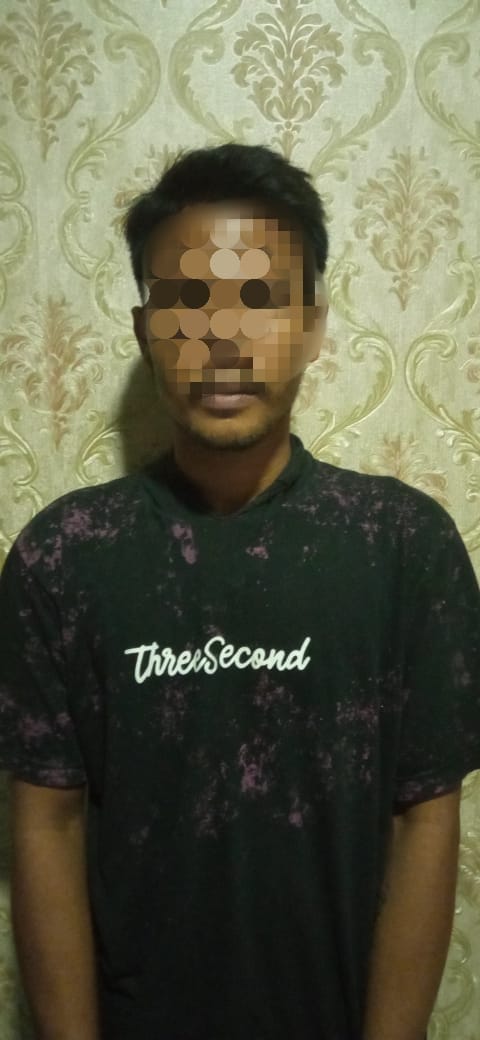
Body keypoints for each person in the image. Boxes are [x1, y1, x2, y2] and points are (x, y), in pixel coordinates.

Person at [0, 143, 479, 1040]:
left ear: (313, 326)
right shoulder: (64, 556)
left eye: (259, 298)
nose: (221, 334)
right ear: (145, 329)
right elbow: (46, 825)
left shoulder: (404, 546)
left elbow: (425, 819)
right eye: (187, 299)